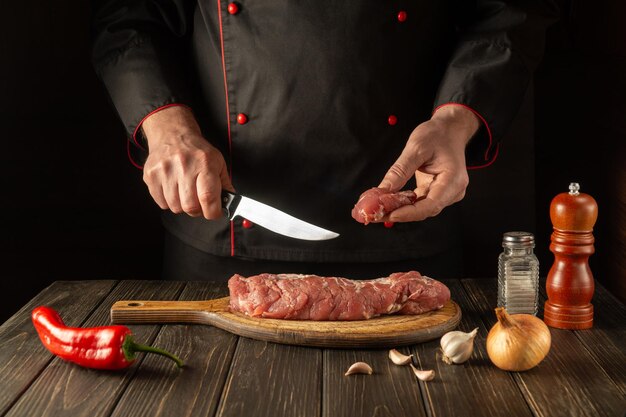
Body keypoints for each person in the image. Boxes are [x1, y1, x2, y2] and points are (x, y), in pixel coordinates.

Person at [92, 0, 557, 281]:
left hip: (406, 231)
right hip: (224, 241)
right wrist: (167, 128)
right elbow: (129, 15)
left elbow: (511, 10)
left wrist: (456, 121)